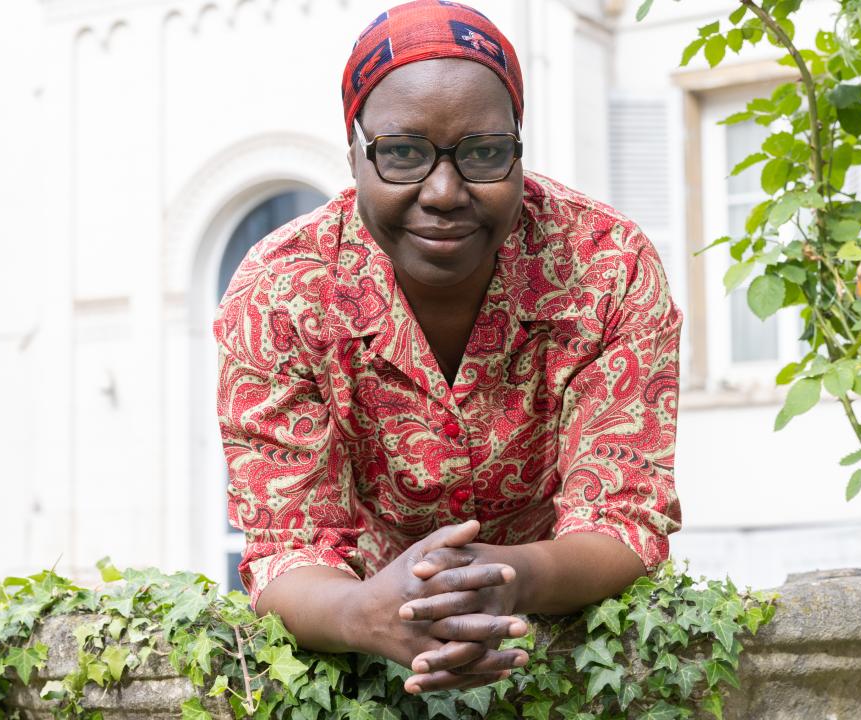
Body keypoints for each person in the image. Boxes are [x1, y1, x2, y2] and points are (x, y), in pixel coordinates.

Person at [213, 0, 682, 695]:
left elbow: (623, 520)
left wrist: (507, 579)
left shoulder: (608, 266)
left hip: (570, 653)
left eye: (483, 154)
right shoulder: (279, 292)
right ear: (353, 151)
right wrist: (363, 612)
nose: (443, 191)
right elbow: (288, 551)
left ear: (518, 146)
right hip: (363, 668)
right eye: (402, 153)